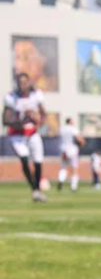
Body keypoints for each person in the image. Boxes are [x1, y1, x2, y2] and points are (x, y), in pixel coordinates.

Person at [3, 72, 48, 202]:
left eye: (25, 82)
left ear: (29, 83)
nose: (22, 85)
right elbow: (5, 121)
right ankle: (34, 189)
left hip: (32, 133)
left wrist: (39, 121)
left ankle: (37, 190)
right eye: (20, 82)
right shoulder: (11, 98)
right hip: (17, 135)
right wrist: (23, 120)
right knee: (24, 160)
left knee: (38, 161)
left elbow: (43, 113)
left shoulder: (36, 95)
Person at [57, 117, 85, 192]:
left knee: (63, 167)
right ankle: (73, 186)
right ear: (70, 122)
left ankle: (60, 179)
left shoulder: (62, 129)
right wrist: (82, 143)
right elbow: (79, 138)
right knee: (75, 169)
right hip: (72, 150)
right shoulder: (73, 129)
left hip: (63, 150)